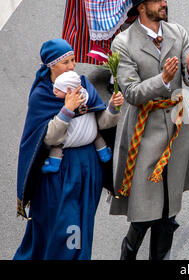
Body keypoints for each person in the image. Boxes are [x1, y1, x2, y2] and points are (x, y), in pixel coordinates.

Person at [109, 0, 189, 260]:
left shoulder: (177, 32)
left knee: (168, 212)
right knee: (143, 213)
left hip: (178, 131)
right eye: (157, 0)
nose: (164, 3)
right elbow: (131, 93)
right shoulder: (123, 43)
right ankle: (128, 255)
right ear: (141, 8)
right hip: (145, 134)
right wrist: (163, 79)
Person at [14, 39, 124, 260]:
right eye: (66, 62)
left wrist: (112, 108)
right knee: (65, 222)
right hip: (60, 171)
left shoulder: (84, 85)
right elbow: (46, 139)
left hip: (88, 166)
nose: (73, 66)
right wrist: (67, 110)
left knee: (83, 221)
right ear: (51, 66)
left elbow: (101, 123)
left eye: (73, 60)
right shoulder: (42, 96)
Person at [41, 71, 113, 174]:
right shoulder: (47, 97)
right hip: (68, 162)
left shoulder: (89, 95)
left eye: (59, 89)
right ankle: (54, 163)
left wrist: (113, 109)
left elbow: (101, 120)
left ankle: (104, 153)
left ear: (69, 91)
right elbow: (49, 138)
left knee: (96, 135)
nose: (54, 91)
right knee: (58, 145)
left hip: (88, 157)